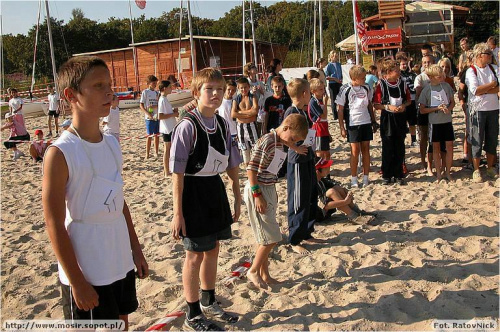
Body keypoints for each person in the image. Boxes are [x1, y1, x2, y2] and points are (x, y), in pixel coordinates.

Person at [42, 56, 148, 329]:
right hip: (87, 267)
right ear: (71, 95)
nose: (109, 91)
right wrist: (77, 280)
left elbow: (119, 201)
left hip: (118, 257)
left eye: (109, 84)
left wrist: (135, 250)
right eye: (98, 85)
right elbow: (53, 222)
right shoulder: (60, 153)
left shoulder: (112, 143)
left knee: (121, 323)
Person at [170, 67, 242, 331]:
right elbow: (176, 173)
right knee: (194, 255)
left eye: (220, 89)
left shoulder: (223, 123)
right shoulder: (187, 126)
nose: (215, 94)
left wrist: (235, 195)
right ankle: (192, 313)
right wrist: (178, 212)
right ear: (196, 93)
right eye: (209, 89)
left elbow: (232, 163)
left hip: (214, 188)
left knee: (213, 249)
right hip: (192, 192)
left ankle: (209, 300)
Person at [243, 114, 308, 289]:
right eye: (294, 138)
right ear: (286, 128)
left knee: (264, 236)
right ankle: (254, 270)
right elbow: (251, 168)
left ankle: (265, 274)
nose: (293, 141)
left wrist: (294, 147)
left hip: (269, 186)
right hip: (258, 188)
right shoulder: (268, 141)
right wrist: (257, 195)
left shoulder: (280, 139)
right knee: (272, 237)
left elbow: (284, 141)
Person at [284, 78, 324, 255]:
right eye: (309, 92)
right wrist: (295, 147)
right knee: (298, 199)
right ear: (305, 93)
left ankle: (307, 231)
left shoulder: (302, 110)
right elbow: (282, 136)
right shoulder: (291, 111)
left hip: (307, 157)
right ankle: (294, 238)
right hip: (297, 161)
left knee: (310, 195)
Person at [337, 65, 378, 188]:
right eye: (362, 77)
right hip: (353, 123)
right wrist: (342, 127)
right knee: (355, 151)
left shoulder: (366, 87)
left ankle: (366, 177)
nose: (365, 79)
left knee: (366, 149)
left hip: (365, 121)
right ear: (354, 78)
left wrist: (373, 120)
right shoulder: (345, 89)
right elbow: (340, 109)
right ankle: (354, 178)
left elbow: (370, 104)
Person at [373, 59, 411, 185]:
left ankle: (399, 173)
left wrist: (404, 106)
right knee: (388, 146)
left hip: (400, 117)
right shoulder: (381, 85)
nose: (399, 72)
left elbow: (408, 100)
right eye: (396, 71)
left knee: (399, 146)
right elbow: (376, 104)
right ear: (389, 72)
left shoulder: (402, 83)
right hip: (388, 118)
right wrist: (388, 107)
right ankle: (387, 174)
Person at [465, 43, 499, 182]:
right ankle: (477, 169)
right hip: (478, 110)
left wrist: (486, 89)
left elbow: (498, 87)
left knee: (492, 139)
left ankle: (490, 167)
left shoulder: (494, 68)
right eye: (488, 54)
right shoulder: (471, 71)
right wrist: (491, 85)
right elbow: (475, 90)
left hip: (493, 108)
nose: (491, 56)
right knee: (477, 140)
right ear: (480, 55)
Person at [418, 65, 456, 182]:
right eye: (439, 77)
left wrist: (448, 109)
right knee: (436, 148)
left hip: (447, 121)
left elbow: (452, 102)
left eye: (442, 76)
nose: (441, 78)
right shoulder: (427, 90)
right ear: (431, 77)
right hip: (434, 123)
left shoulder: (446, 86)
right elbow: (422, 109)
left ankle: (447, 172)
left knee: (449, 146)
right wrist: (435, 108)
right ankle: (439, 173)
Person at [315, 157, 376, 224]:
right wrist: (344, 202)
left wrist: (345, 191)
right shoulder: (312, 184)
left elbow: (335, 185)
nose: (328, 169)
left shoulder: (320, 179)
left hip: (325, 212)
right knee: (331, 192)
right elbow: (324, 206)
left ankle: (357, 212)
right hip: (317, 215)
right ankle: (353, 216)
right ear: (317, 171)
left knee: (337, 188)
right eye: (325, 168)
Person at [415, 54, 436, 174]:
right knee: (423, 137)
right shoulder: (420, 78)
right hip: (423, 109)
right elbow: (418, 92)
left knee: (434, 137)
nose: (427, 64)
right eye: (424, 62)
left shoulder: (437, 76)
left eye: (429, 62)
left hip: (435, 109)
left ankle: (431, 162)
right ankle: (423, 161)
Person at [231, 77, 259, 164]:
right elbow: (233, 114)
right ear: (238, 89)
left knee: (256, 151)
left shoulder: (253, 97)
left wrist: (240, 113)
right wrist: (249, 113)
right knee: (245, 153)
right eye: (241, 88)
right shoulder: (237, 99)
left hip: (252, 126)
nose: (244, 89)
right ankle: (248, 172)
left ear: (249, 87)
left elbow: (255, 111)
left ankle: (255, 173)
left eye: (245, 87)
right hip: (241, 128)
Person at [158, 80, 179, 178]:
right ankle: (166, 172)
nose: (171, 89)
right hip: (167, 128)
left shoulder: (164, 99)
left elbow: (166, 113)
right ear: (165, 88)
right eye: (170, 87)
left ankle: (168, 170)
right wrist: (174, 114)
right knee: (167, 149)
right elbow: (160, 116)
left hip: (170, 127)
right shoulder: (162, 99)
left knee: (170, 149)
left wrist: (173, 111)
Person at [398, 55, 418, 147]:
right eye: (402, 64)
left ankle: (413, 140)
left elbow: (416, 87)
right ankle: (402, 140)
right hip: (402, 101)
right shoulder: (398, 76)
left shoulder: (412, 75)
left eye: (406, 64)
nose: (404, 66)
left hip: (412, 100)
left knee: (412, 123)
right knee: (402, 123)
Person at [458, 51, 474, 166]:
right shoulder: (467, 73)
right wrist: (462, 103)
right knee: (469, 131)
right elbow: (460, 90)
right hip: (469, 104)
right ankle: (466, 155)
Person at [308, 78, 330, 160]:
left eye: (323, 88)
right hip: (318, 129)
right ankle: (319, 170)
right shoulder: (313, 102)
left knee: (327, 152)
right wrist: (325, 103)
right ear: (313, 91)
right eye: (320, 89)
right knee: (320, 152)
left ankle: (326, 171)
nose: (323, 91)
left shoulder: (320, 99)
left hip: (324, 127)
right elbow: (323, 116)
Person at [140, 75, 160, 159]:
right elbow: (141, 105)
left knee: (157, 135)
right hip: (149, 117)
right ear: (148, 83)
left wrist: (154, 107)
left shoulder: (156, 93)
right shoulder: (145, 92)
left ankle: (156, 152)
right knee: (149, 135)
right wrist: (148, 113)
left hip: (156, 115)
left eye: (156, 83)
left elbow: (159, 104)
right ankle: (147, 154)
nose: (155, 84)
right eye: (153, 83)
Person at [244, 63, 266, 135]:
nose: (256, 68)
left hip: (260, 109)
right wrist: (251, 92)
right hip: (250, 109)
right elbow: (242, 96)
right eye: (253, 67)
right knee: (252, 129)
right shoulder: (246, 82)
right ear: (249, 70)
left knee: (259, 129)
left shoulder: (260, 82)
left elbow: (264, 94)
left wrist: (262, 91)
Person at [325, 51, 343, 120]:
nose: (336, 57)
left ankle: (341, 113)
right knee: (333, 100)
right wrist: (334, 79)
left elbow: (340, 73)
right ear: (331, 57)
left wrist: (340, 79)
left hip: (339, 83)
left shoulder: (339, 64)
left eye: (337, 56)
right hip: (332, 84)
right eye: (335, 56)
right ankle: (335, 115)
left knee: (340, 99)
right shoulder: (329, 65)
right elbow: (326, 76)